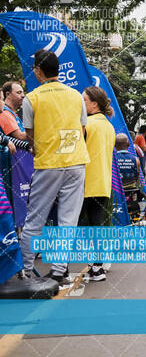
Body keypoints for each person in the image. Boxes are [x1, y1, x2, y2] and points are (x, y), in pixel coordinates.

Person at [19, 49, 90, 285]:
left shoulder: (32, 98)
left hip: (49, 164)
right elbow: (82, 129)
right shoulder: (76, 96)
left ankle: (26, 271)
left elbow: (30, 135)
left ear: (38, 70)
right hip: (77, 163)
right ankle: (59, 272)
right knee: (68, 221)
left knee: (34, 220)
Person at [78, 86, 116, 282]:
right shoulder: (109, 126)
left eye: (83, 100)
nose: (80, 104)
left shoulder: (86, 125)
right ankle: (97, 269)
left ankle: (62, 271)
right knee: (97, 227)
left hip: (83, 183)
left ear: (94, 104)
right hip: (102, 183)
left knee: (71, 227)